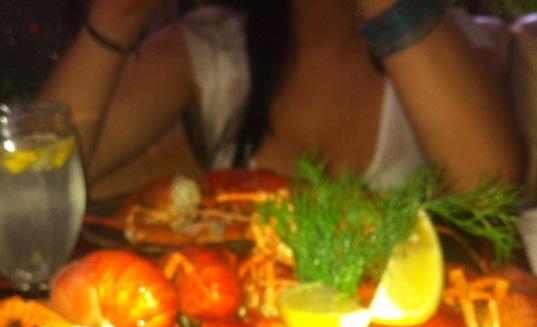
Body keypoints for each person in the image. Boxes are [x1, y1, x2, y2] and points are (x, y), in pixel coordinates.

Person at [39, 0, 524, 191]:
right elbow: (40, 182)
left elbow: (491, 187)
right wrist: (117, 16)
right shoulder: (206, 45)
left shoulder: (443, 43)